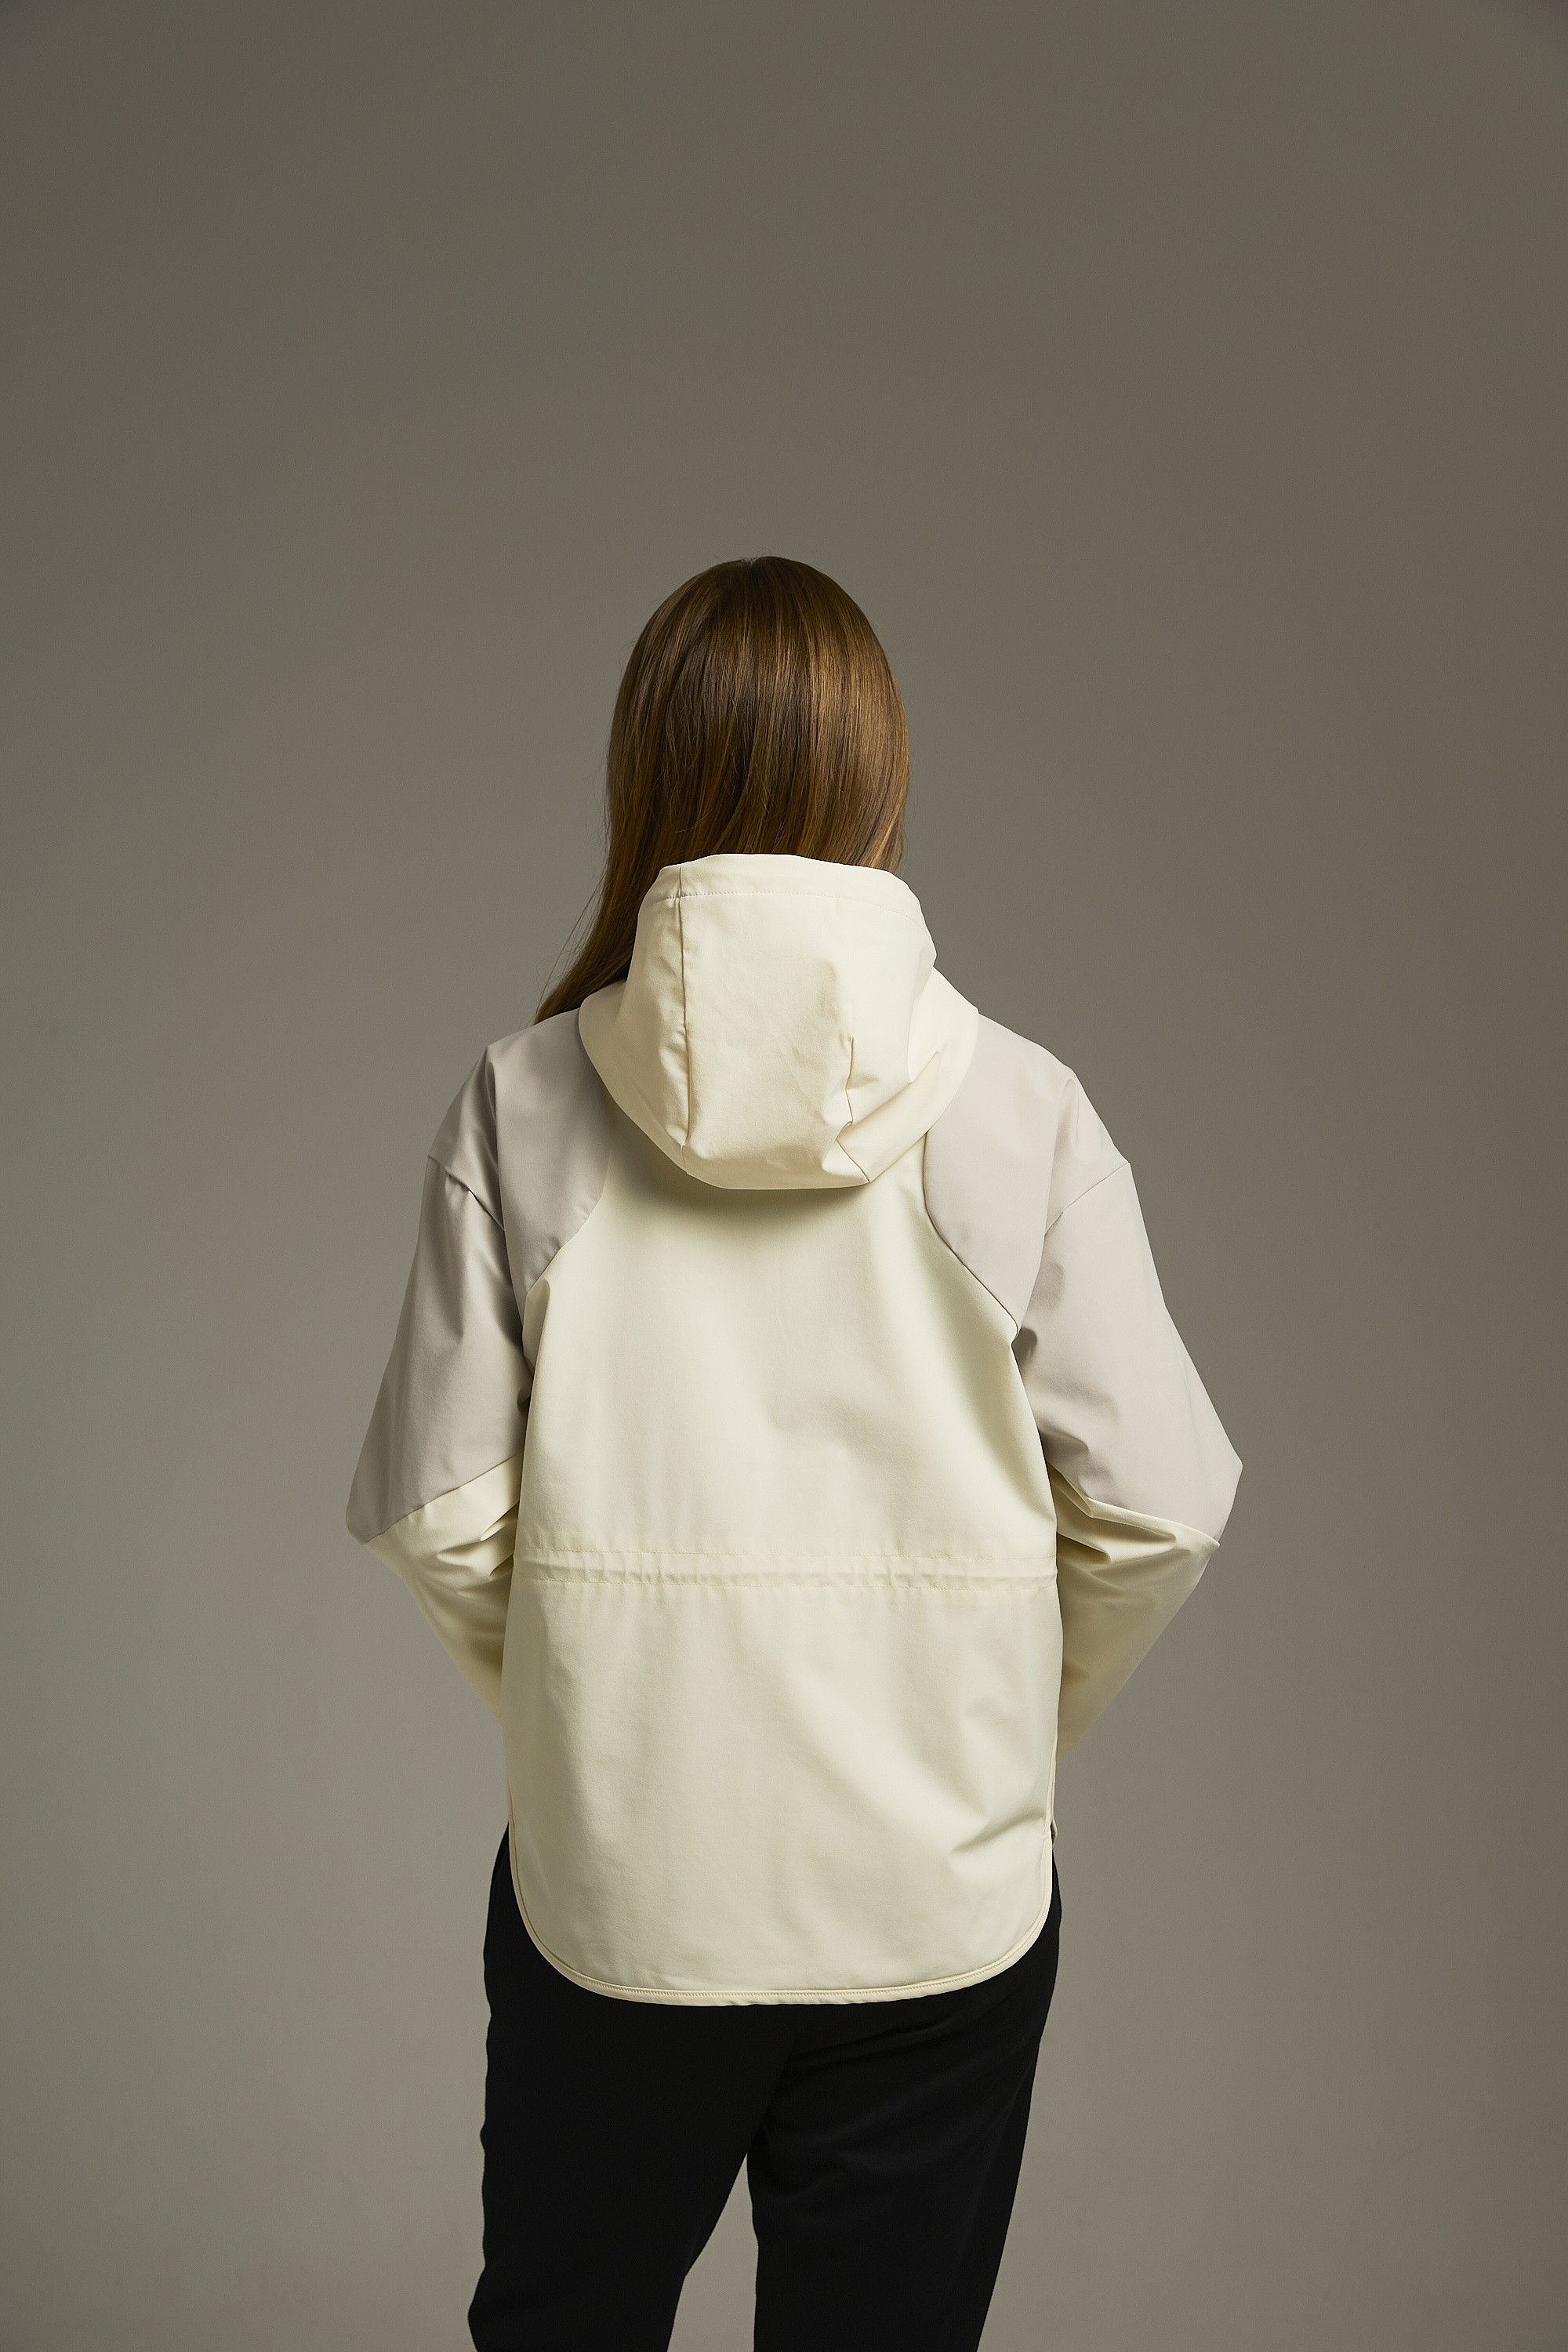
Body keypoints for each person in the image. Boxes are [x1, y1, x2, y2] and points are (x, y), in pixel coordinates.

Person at [345, 555, 1241, 2351]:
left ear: (644, 778)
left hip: (620, 1897)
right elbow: (1155, 1508)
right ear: (878, 779)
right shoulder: (1023, 1110)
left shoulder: (524, 1105)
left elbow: (441, 1511)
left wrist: (606, 1715)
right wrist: (971, 1723)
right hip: (932, 1906)